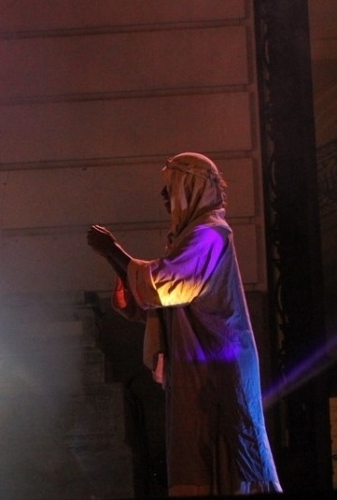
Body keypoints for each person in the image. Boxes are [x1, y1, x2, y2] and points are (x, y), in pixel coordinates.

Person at [86, 152, 281, 496]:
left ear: (189, 190)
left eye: (169, 189)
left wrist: (114, 250)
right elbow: (158, 297)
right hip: (199, 367)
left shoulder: (211, 235)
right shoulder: (191, 239)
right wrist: (119, 263)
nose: (164, 197)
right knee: (199, 453)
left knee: (225, 450)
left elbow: (163, 286)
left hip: (217, 370)